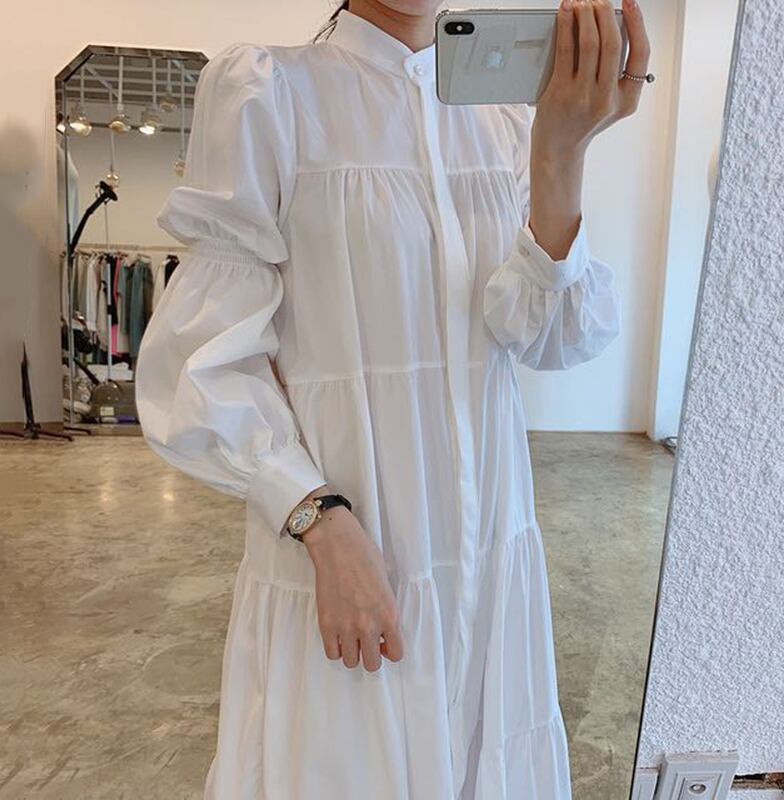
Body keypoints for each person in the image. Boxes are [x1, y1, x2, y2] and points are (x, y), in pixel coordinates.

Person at [135, 0, 650, 797]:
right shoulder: (271, 93)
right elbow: (199, 363)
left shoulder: (505, 121)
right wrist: (316, 519)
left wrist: (561, 153)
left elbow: (549, 337)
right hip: (344, 547)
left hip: (489, 547)